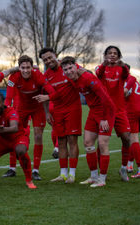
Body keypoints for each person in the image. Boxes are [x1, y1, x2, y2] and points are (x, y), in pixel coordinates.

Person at [57, 56, 115, 187]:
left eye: (70, 68)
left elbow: (105, 98)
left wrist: (104, 118)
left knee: (102, 143)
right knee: (88, 143)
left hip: (106, 111)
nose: (68, 71)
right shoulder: (71, 79)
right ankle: (94, 176)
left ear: (76, 66)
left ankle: (102, 179)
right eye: (65, 69)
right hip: (93, 111)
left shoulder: (88, 78)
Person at [7, 55, 57, 180]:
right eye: (22, 68)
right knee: (15, 136)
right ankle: (12, 168)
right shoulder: (13, 77)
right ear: (19, 68)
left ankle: (35, 170)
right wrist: (7, 112)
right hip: (21, 107)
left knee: (38, 136)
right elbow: (8, 98)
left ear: (32, 67)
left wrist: (47, 98)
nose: (25, 70)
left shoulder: (38, 75)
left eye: (28, 67)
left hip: (37, 108)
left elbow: (53, 92)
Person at [37, 48, 82, 183]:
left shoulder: (67, 66)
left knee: (72, 140)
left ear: (55, 56)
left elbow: (83, 74)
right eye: (45, 60)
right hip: (57, 111)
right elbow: (45, 96)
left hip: (73, 109)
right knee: (61, 141)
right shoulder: (46, 76)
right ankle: (62, 174)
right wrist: (46, 112)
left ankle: (72, 174)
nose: (48, 61)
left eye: (50, 57)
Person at [0, 91, 37, 189]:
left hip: (18, 138)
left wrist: (4, 129)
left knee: (21, 150)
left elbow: (15, 128)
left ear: (3, 102)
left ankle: (29, 180)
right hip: (4, 140)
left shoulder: (11, 111)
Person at [95, 46, 135, 182]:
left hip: (120, 110)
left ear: (119, 56)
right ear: (105, 55)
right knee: (102, 142)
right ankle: (100, 172)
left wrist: (122, 64)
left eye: (115, 54)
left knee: (126, 138)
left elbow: (126, 73)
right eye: (109, 53)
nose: (112, 55)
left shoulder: (122, 69)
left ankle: (123, 168)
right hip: (105, 111)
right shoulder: (100, 68)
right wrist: (104, 64)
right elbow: (98, 74)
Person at [124, 66, 140, 178]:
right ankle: (129, 164)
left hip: (133, 110)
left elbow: (125, 93)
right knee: (131, 137)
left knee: (133, 139)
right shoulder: (132, 79)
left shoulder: (125, 80)